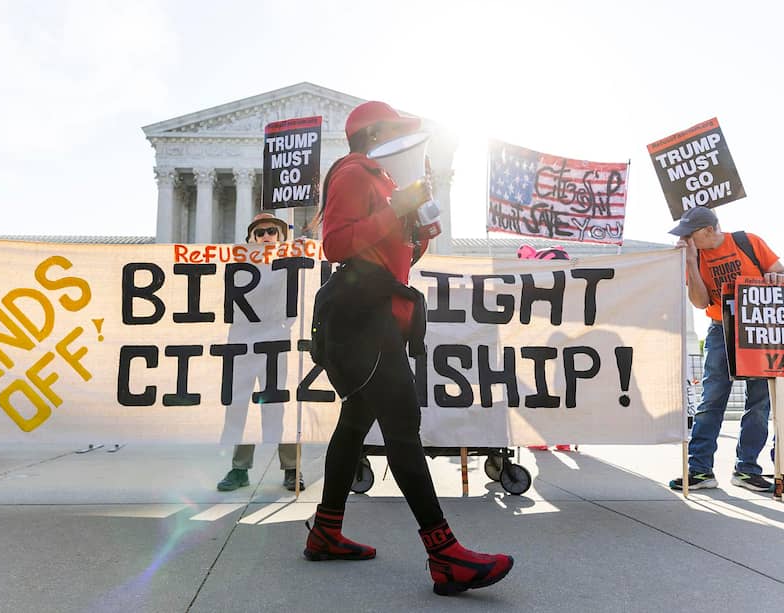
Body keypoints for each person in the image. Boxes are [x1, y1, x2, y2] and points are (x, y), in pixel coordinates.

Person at [304, 101, 513, 596]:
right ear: (374, 133)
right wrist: (395, 211)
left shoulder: (382, 180)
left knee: (355, 424)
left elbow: (391, 255)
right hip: (364, 318)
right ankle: (445, 555)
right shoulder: (355, 171)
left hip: (376, 314)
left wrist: (416, 229)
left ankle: (326, 532)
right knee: (402, 430)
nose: (406, 141)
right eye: (397, 131)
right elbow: (335, 245)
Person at [668, 206, 784, 492]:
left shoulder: (748, 242)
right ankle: (699, 469)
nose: (686, 240)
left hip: (758, 330)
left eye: (690, 235)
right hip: (721, 329)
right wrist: (692, 262)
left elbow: (779, 273)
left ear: (709, 230)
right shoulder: (694, 256)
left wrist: (775, 278)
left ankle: (746, 469)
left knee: (759, 402)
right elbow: (699, 301)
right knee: (712, 399)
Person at [216, 212, 304, 492]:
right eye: (260, 232)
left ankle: (292, 468)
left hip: (275, 340)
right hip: (243, 341)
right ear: (250, 239)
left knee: (279, 404)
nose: (266, 236)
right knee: (241, 404)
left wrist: (304, 247)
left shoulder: (287, 264)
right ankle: (239, 469)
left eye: (272, 232)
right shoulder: (238, 265)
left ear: (279, 237)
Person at [516, 244, 574, 452]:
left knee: (551, 389)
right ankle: (558, 436)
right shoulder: (568, 289)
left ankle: (553, 436)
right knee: (554, 389)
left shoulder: (539, 289)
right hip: (550, 348)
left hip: (551, 348)